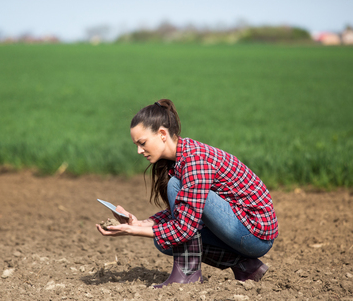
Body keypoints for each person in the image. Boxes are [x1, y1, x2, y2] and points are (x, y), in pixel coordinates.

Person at [96, 99, 278, 288]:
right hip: (240, 228)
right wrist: (139, 223)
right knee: (164, 241)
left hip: (254, 234)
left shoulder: (194, 160)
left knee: (175, 197)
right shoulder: (180, 160)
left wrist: (133, 231)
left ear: (162, 134)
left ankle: (188, 274)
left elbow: (185, 228)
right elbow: (186, 207)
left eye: (142, 143)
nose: (139, 151)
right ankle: (246, 266)